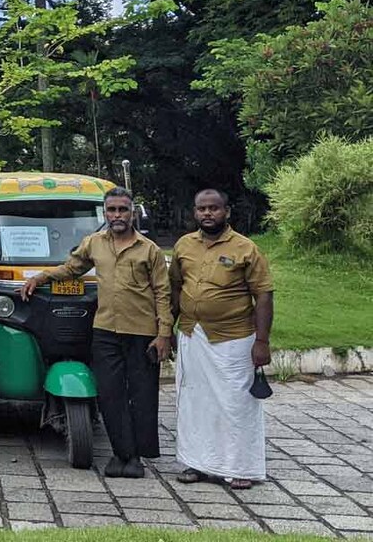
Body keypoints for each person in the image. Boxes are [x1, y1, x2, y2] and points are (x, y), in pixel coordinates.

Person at [20, 187, 173, 479]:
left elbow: (163, 293)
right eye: (112, 210)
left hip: (142, 332)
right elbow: (71, 268)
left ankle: (137, 458)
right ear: (105, 213)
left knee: (140, 396)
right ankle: (120, 454)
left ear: (132, 213)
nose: (117, 215)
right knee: (109, 394)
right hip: (104, 330)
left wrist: (164, 333)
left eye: (122, 210)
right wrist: (38, 278)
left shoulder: (148, 249)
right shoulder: (94, 243)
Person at [171, 189, 274, 490]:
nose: (207, 214)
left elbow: (264, 295)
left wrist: (262, 341)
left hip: (234, 337)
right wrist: (167, 329)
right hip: (192, 333)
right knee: (194, 400)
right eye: (201, 208)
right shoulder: (183, 245)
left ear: (226, 211)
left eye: (213, 208)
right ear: (194, 212)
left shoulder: (246, 248)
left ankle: (240, 467)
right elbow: (176, 288)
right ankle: (197, 463)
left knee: (236, 402)